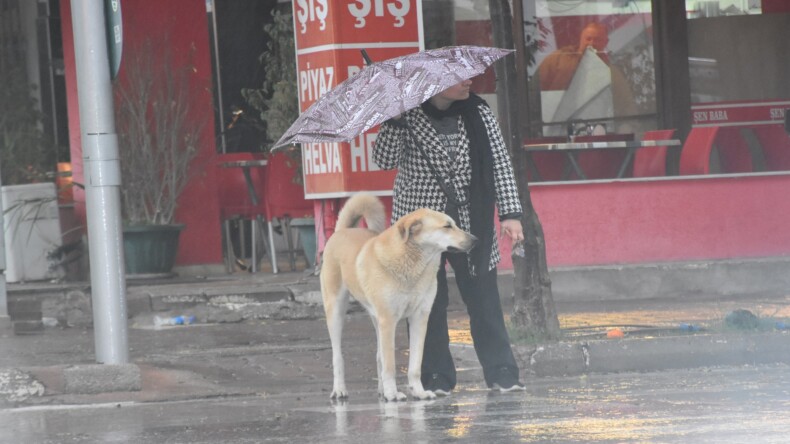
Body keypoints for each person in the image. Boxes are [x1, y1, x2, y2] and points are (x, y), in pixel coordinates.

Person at [372, 79, 526, 395]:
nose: (468, 81)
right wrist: (395, 120)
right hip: (421, 228)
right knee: (427, 303)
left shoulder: (478, 112)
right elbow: (383, 160)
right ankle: (436, 376)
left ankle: (503, 372)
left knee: (484, 298)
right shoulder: (408, 114)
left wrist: (511, 213)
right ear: (436, 84)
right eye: (458, 78)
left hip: (471, 220)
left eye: (468, 75)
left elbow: (499, 164)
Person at [536, 21, 637, 130]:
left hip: (598, 132)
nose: (591, 43)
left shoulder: (612, 73)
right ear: (581, 39)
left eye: (597, 40)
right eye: (588, 39)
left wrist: (626, 128)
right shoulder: (558, 60)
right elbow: (534, 91)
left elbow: (627, 108)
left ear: (605, 42)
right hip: (561, 130)